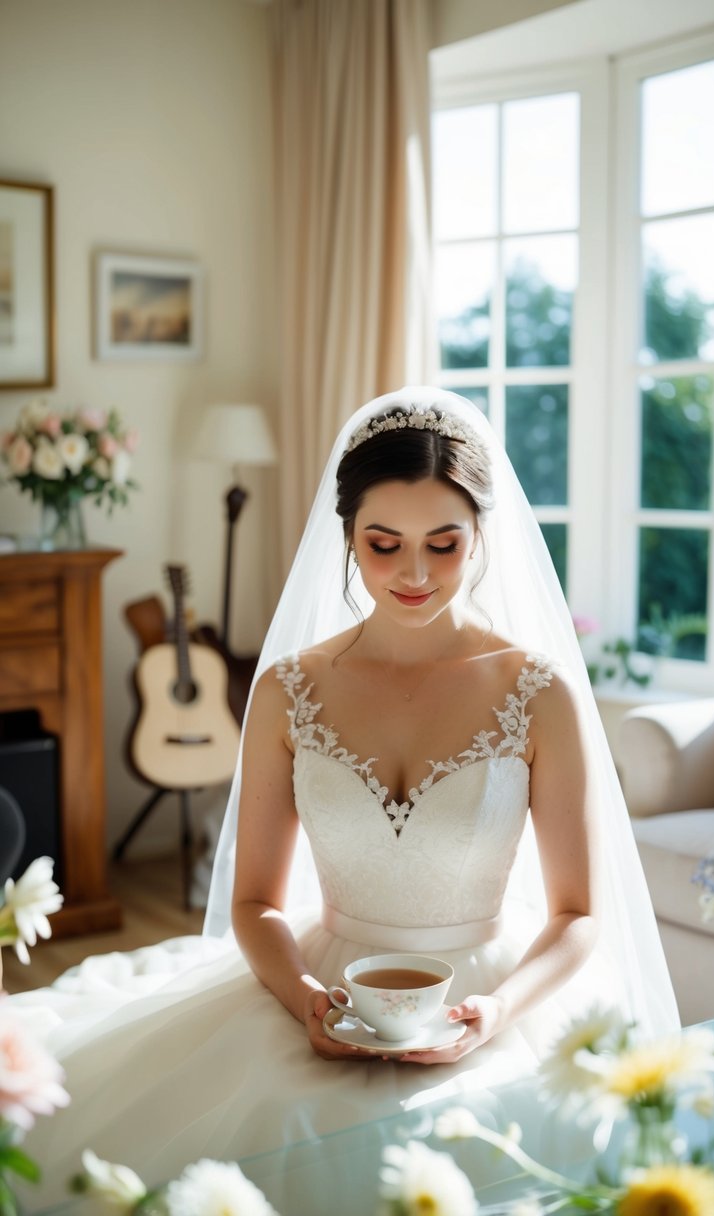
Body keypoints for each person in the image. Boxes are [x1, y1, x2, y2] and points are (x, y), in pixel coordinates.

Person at [15, 388, 678, 1207]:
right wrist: (304, 1003)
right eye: (383, 543)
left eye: (443, 543)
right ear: (347, 539)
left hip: (493, 998)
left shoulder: (538, 692)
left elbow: (578, 916)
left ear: (481, 538)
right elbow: (256, 899)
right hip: (321, 986)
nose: (412, 573)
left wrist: (495, 1014)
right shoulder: (288, 689)